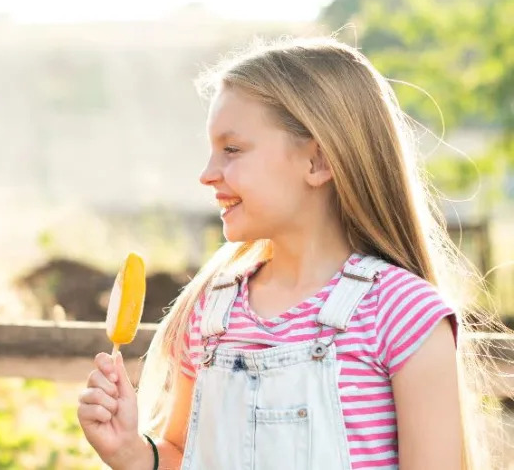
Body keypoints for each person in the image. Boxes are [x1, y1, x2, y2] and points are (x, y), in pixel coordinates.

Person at [78, 37, 503, 469]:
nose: (207, 174)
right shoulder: (210, 312)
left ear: (317, 162)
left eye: (232, 149)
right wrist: (133, 454)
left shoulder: (401, 313)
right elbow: (182, 456)